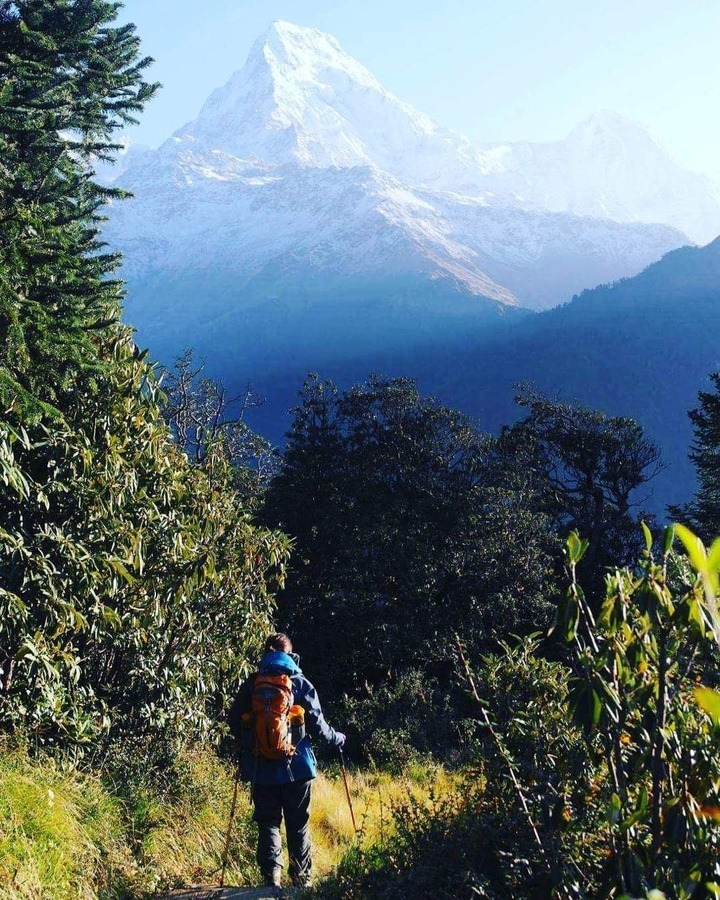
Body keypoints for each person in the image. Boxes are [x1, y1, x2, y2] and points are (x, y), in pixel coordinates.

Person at [228, 632, 345, 889]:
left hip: (261, 767)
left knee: (268, 821)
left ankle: (272, 880)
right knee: (298, 824)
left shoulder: (252, 684)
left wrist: (250, 745)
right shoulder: (300, 683)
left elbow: (233, 719)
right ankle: (301, 882)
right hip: (298, 768)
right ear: (290, 654)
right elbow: (320, 727)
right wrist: (338, 739)